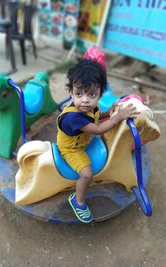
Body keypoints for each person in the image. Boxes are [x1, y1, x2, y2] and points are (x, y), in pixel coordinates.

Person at [56, 51, 138, 224]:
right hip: (71, 149)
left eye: (92, 95)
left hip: (81, 141)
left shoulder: (89, 108)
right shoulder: (74, 116)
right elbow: (98, 129)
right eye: (79, 94)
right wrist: (117, 117)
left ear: (100, 94)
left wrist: (109, 112)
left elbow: (97, 115)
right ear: (71, 93)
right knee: (87, 173)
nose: (85, 100)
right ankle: (78, 201)